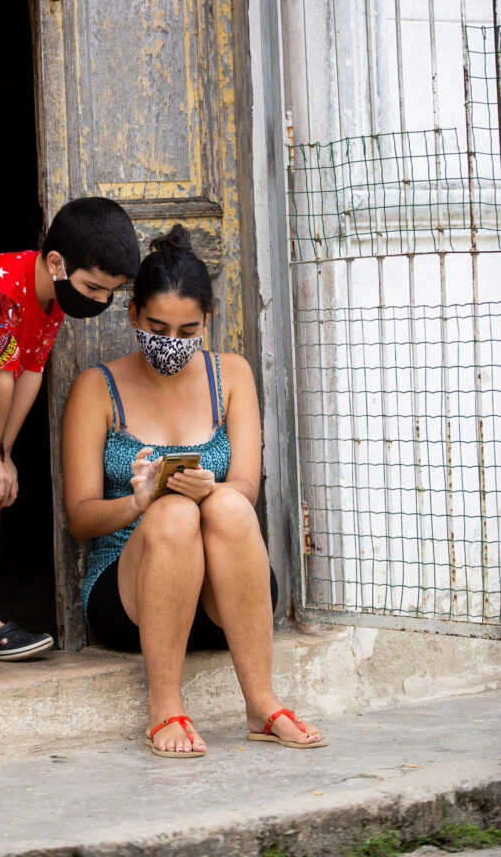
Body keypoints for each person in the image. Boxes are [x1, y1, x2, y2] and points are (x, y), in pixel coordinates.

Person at [62, 225, 327, 757]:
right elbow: (80, 517)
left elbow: (247, 486)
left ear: (207, 322)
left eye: (186, 330)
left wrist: (211, 490)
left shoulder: (231, 374)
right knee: (172, 514)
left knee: (226, 502)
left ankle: (261, 702)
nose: (171, 342)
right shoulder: (98, 387)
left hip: (225, 598)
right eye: (157, 326)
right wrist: (138, 503)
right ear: (133, 314)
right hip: (130, 595)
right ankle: (164, 706)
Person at [0, 197, 140, 664]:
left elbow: (31, 373)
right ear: (57, 262)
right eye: (93, 287)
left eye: (110, 293)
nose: (100, 302)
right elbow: (2, 377)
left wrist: (2, 454)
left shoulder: (51, 297)